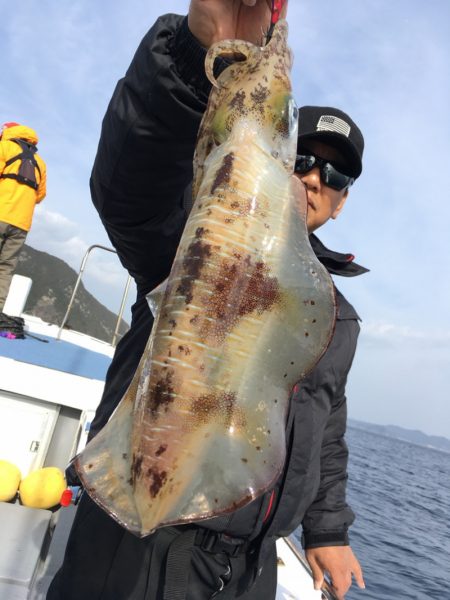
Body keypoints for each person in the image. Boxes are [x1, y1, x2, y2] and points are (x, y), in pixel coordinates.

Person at [48, 2, 368, 599]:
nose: (315, 178)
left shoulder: (334, 316)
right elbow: (129, 190)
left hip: (247, 569)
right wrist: (199, 55)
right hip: (137, 552)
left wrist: (328, 529)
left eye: (337, 175)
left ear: (343, 200)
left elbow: (326, 425)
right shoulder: (192, 235)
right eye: (303, 157)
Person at [0, 122, 46, 311]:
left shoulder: (4, 147)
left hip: (1, 211)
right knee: (5, 268)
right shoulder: (40, 163)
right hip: (21, 224)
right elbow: (40, 195)